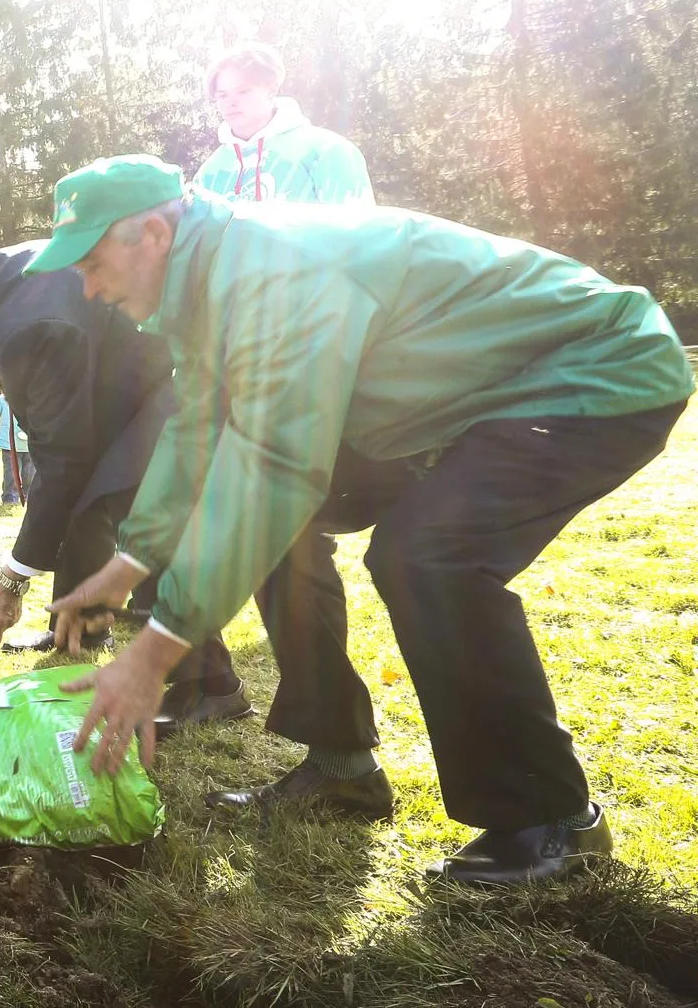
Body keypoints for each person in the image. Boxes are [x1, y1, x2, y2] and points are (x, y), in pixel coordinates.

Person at [41, 154, 692, 885]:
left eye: (94, 264)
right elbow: (199, 430)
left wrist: (155, 654)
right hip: (458, 402)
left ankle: (555, 821)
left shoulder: (271, 269)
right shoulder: (203, 287)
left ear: (154, 234)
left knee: (426, 556)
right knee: (282, 530)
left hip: (593, 368)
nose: (90, 289)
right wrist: (129, 564)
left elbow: (273, 463)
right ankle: (342, 763)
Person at [0, 243, 244, 730]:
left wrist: (12, 577)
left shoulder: (29, 323)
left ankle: (213, 686)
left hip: (159, 404)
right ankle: (81, 630)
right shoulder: (7, 279)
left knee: (140, 525)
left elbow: (62, 461)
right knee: (80, 509)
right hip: (119, 403)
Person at [192, 42, 372, 205]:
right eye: (222, 95)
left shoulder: (327, 151)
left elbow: (358, 235)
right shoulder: (209, 173)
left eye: (243, 91)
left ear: (271, 90)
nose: (231, 102)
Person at [0, 374, 31, 505]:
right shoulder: (4, 400)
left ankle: (29, 495)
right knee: (11, 473)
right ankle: (10, 496)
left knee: (30, 473)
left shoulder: (33, 400)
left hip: (29, 444)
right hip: (9, 444)